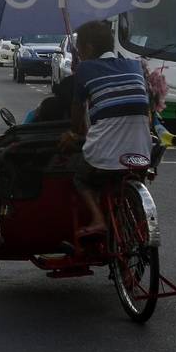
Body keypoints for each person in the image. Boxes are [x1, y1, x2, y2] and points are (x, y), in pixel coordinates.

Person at [66, 19, 153, 238]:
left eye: (79, 49)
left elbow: (77, 115)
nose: (79, 53)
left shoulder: (85, 69)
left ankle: (97, 219)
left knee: (80, 176)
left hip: (104, 153)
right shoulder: (134, 65)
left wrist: (74, 134)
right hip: (141, 151)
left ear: (88, 48)